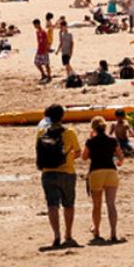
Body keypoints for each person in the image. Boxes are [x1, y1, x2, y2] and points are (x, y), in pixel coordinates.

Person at [36, 104, 81, 250]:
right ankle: (68, 234)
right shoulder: (69, 132)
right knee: (68, 204)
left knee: (52, 205)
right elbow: (78, 152)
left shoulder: (41, 132)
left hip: (48, 172)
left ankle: (56, 235)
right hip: (67, 172)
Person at [82, 116, 125, 244]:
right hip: (111, 171)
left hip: (96, 171)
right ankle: (113, 233)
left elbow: (84, 157)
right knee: (111, 204)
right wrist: (119, 162)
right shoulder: (112, 140)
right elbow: (120, 156)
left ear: (93, 128)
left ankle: (97, 231)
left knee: (97, 205)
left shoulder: (90, 141)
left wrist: (91, 138)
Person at [33, 19, 52, 84]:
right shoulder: (38, 32)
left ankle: (49, 76)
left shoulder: (43, 32)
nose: (35, 26)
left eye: (35, 25)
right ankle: (43, 74)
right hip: (39, 49)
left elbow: (46, 41)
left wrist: (46, 49)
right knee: (37, 63)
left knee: (46, 64)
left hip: (44, 50)